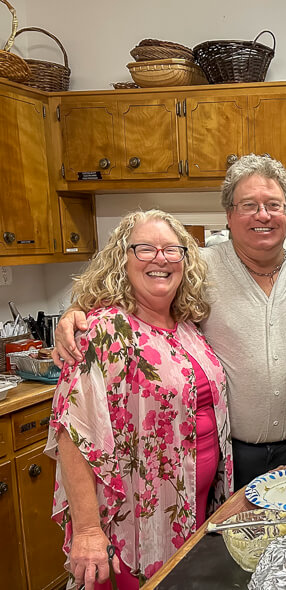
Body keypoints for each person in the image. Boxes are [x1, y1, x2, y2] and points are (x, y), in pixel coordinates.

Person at [53, 155, 286, 491]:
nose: (263, 215)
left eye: (273, 204)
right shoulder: (197, 269)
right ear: (228, 215)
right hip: (232, 457)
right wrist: (75, 311)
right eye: (248, 205)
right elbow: (131, 286)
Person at [45, 210, 232, 590]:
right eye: (145, 249)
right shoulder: (104, 330)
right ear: (121, 259)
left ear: (185, 261)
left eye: (171, 250)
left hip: (191, 509)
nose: (160, 259)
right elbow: (73, 433)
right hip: (134, 524)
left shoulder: (187, 327)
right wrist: (86, 532)